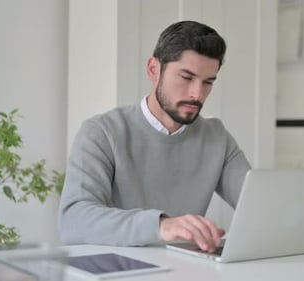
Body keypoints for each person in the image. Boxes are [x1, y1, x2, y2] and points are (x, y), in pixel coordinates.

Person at [58, 20, 251, 253]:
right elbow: (73, 221)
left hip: (187, 271)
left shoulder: (217, 137)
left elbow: (257, 206)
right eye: (186, 78)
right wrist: (161, 225)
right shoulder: (101, 132)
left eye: (208, 82)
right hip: (118, 269)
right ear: (153, 69)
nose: (197, 94)